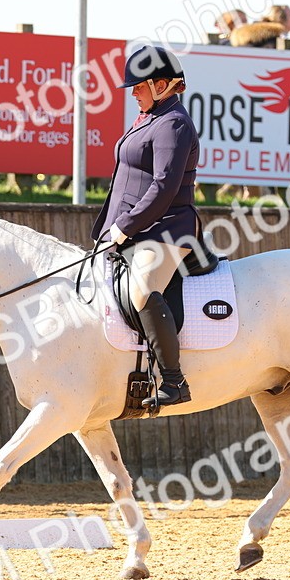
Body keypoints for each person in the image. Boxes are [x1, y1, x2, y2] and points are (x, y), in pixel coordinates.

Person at [91, 46, 200, 408]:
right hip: (131, 229)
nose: (134, 93)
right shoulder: (149, 117)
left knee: (141, 289)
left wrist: (125, 225)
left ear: (164, 84)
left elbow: (164, 186)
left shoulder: (174, 124)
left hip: (168, 228)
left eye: (140, 86)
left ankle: (173, 381)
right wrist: (109, 230)